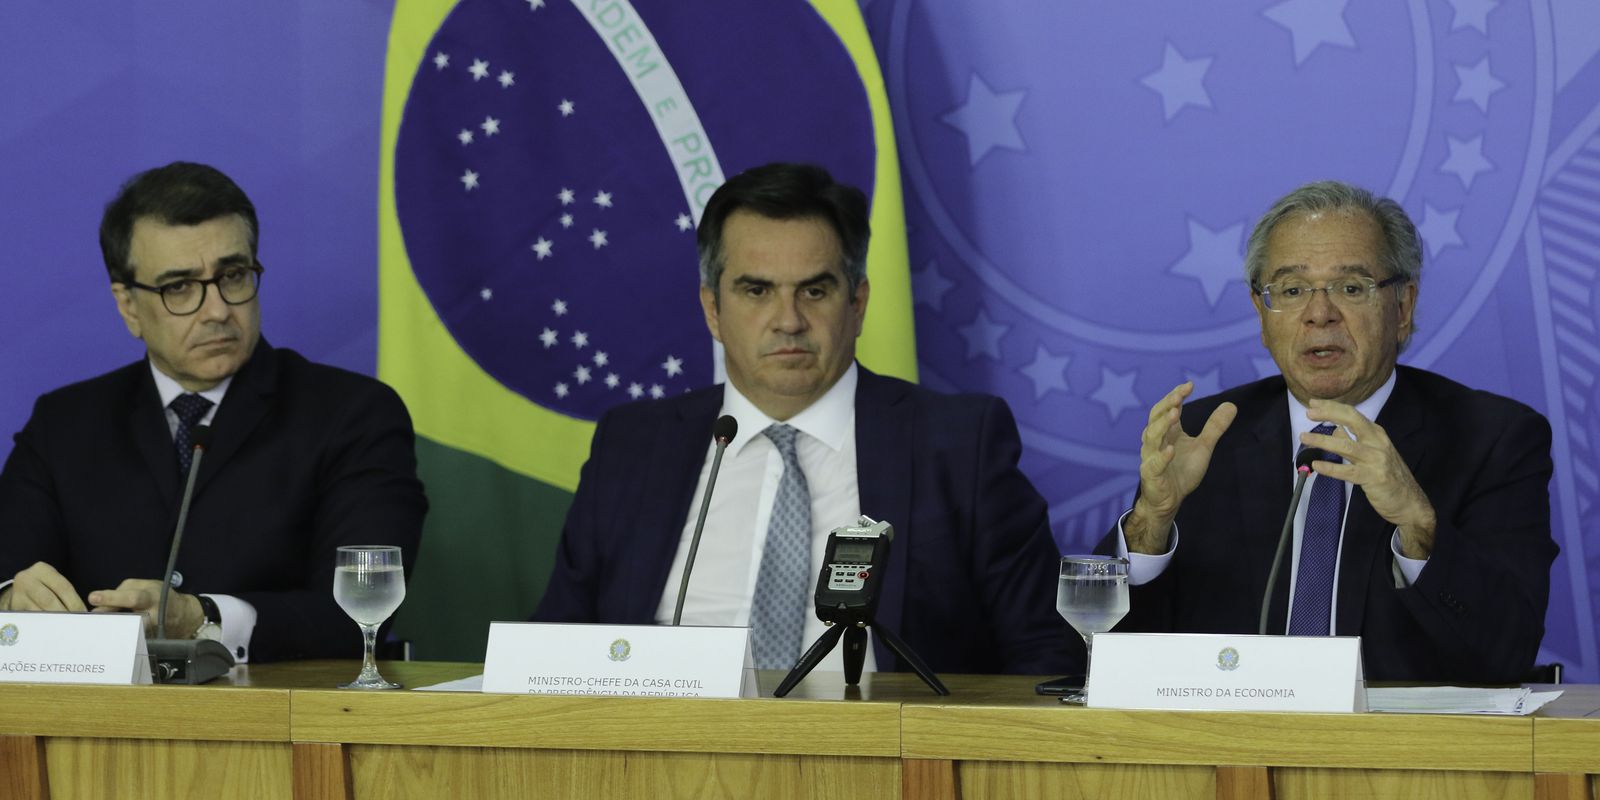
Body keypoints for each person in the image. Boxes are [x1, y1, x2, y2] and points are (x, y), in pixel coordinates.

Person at [534, 162, 1068, 675]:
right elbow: (551, 651)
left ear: (857, 304)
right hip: (666, 734)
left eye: (814, 291)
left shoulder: (957, 445)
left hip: (880, 736)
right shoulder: (633, 446)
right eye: (757, 291)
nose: (788, 321)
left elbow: (1047, 649)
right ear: (712, 310)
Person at [1102, 180, 1555, 682]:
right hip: (1233, 730)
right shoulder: (1204, 437)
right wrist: (1151, 522)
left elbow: (1507, 652)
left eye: (1351, 288)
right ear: (1261, 314)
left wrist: (1419, 525)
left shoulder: (1493, 440)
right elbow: (1104, 660)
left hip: (1400, 734)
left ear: (1402, 308)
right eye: (1292, 290)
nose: (1319, 315)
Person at [0, 162, 427, 662]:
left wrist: (204, 618)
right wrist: (11, 603)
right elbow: (9, 576)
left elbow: (360, 613)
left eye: (233, 276)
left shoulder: (354, 415)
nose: (218, 310)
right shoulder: (63, 425)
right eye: (179, 287)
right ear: (128, 306)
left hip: (282, 706)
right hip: (100, 710)